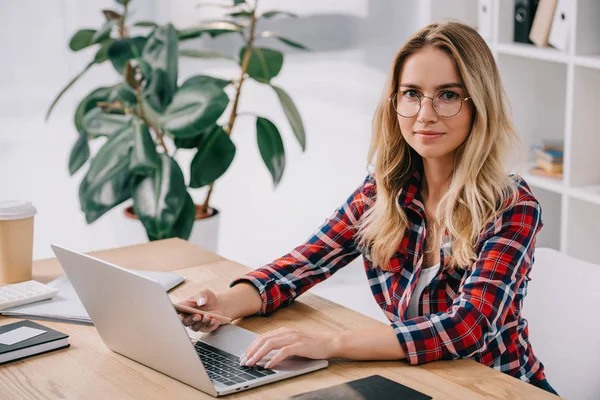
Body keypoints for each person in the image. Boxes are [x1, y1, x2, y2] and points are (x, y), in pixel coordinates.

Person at [178, 21, 558, 396]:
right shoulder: (384, 192)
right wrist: (221, 306)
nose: (425, 114)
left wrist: (329, 343)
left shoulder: (512, 207)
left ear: (479, 103)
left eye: (447, 95)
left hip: (499, 388)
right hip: (422, 383)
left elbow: (465, 328)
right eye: (411, 93)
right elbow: (301, 265)